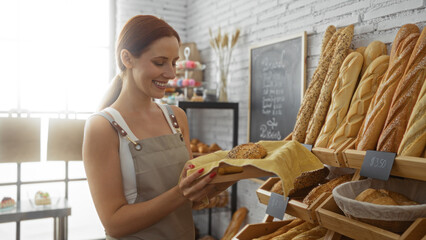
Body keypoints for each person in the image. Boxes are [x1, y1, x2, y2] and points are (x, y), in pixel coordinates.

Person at [83, 15, 230, 239]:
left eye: (174, 63)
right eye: (160, 62)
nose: (171, 74)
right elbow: (114, 224)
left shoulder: (177, 117)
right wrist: (181, 193)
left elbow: (189, 199)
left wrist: (215, 183)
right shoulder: (103, 127)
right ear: (127, 58)